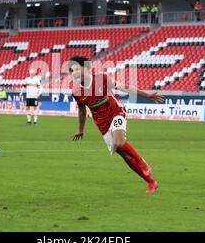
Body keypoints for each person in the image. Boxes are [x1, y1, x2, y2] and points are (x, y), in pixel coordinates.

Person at [69, 56, 164, 193]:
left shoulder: (101, 79)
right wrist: (81, 130)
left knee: (119, 142)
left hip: (116, 111)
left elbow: (124, 87)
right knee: (124, 155)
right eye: (72, 70)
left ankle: (142, 162)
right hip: (101, 123)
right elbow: (82, 111)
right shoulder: (76, 92)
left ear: (87, 68)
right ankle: (151, 182)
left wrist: (147, 95)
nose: (75, 73)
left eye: (77, 68)